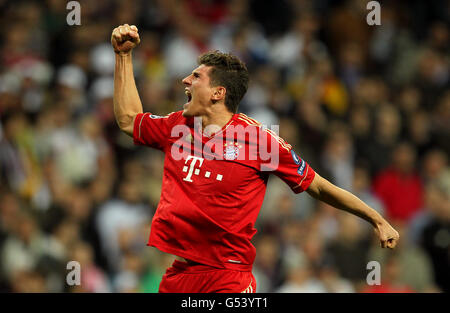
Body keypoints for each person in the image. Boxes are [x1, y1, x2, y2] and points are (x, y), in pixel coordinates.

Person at [111, 24, 399, 293]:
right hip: (181, 275)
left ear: (218, 93)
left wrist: (375, 218)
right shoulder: (178, 127)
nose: (186, 80)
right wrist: (123, 57)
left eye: (196, 76)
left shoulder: (260, 140)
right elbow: (128, 121)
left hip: (229, 278)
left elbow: (319, 186)